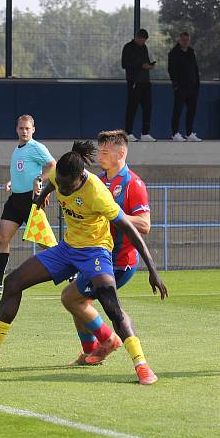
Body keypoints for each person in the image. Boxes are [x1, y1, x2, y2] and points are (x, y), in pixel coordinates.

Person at [0, 141, 167, 385]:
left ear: (80, 177)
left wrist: (153, 271)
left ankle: (141, 365)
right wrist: (41, 198)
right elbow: (53, 183)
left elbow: (131, 229)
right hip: (67, 249)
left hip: (95, 252)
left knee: (110, 304)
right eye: (61, 185)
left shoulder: (98, 193)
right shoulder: (60, 174)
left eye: (68, 186)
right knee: (13, 282)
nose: (63, 190)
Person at [60, 130, 151, 366]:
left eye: (105, 151)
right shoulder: (97, 181)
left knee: (73, 299)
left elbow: (145, 224)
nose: (99, 154)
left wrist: (115, 215)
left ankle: (108, 344)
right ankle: (92, 351)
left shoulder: (133, 184)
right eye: (99, 150)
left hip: (120, 261)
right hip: (94, 254)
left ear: (121, 153)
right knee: (78, 301)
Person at [0, 115, 56, 294]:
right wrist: (12, 181)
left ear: (33, 130)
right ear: (16, 129)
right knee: (2, 238)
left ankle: (72, 271)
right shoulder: (18, 149)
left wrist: (39, 180)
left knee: (45, 242)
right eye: (21, 128)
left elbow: (53, 166)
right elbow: (22, 171)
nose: (24, 131)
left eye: (27, 128)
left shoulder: (36, 147)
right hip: (15, 200)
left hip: (30, 200)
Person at [122, 29, 156, 142]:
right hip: (134, 82)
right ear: (137, 37)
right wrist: (141, 66)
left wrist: (149, 66)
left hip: (145, 82)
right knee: (132, 107)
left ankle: (145, 133)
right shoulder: (128, 47)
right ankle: (128, 133)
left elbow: (145, 62)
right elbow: (125, 63)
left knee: (148, 107)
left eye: (145, 41)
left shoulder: (144, 47)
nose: (143, 42)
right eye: (141, 40)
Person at [168, 32, 202, 142]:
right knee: (177, 110)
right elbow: (171, 70)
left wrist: (197, 83)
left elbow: (195, 68)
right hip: (180, 87)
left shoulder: (191, 52)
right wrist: (175, 85)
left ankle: (189, 133)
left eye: (187, 40)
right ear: (179, 40)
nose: (185, 42)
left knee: (192, 110)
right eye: (183, 40)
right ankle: (175, 133)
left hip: (192, 87)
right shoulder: (174, 53)